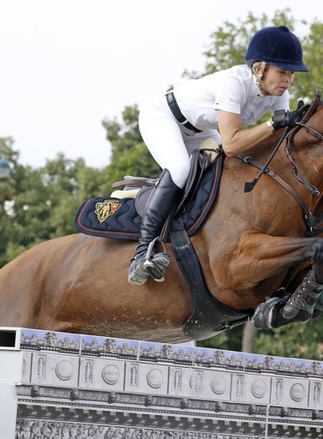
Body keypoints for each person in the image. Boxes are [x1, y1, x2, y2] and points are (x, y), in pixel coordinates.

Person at [128, 25, 309, 285]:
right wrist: (273, 125)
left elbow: (276, 141)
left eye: (291, 73)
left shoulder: (280, 95)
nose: (288, 80)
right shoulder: (233, 83)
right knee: (181, 170)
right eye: (282, 71)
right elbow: (233, 143)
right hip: (163, 115)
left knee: (226, 171)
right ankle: (141, 253)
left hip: (199, 130)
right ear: (259, 69)